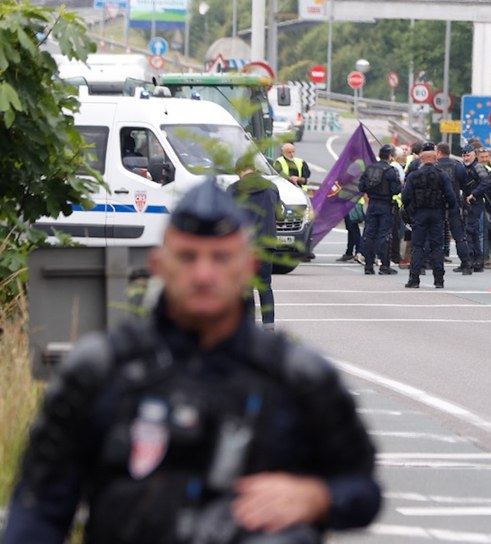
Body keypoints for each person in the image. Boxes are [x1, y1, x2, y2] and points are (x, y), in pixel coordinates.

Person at [2, 179, 382, 544]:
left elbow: (362, 489)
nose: (203, 274)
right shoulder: (101, 371)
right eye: (187, 257)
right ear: (158, 264)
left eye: (220, 258)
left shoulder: (297, 377)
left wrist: (318, 498)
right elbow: (40, 509)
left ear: (249, 267)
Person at [229, 165, 280, 331]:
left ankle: (249, 327)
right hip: (266, 242)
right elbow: (280, 214)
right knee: (265, 285)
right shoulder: (271, 187)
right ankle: (269, 326)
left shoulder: (234, 189)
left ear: (240, 170)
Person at [401, 148, 456, 288]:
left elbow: (405, 197)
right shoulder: (441, 175)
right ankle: (439, 280)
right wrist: (447, 207)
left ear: (421, 159)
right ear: (435, 158)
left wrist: (410, 209)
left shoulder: (414, 175)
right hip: (437, 213)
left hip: (419, 214)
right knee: (437, 247)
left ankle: (414, 279)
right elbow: (451, 196)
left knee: (417, 246)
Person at [359, 144, 402, 275]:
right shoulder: (390, 170)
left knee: (369, 235)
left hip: (372, 204)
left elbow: (361, 187)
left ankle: (368, 266)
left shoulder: (370, 169)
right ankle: (384, 266)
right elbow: (396, 190)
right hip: (385, 205)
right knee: (384, 235)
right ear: (390, 156)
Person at [433, 143, 472, 276]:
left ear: (438, 152)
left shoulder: (434, 166)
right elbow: (463, 183)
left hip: (437, 204)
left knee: (434, 234)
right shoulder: (457, 165)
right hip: (454, 203)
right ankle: (466, 264)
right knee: (459, 236)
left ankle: (432, 264)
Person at [461, 145, 491, 273]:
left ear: (474, 155)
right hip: (467, 201)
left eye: (468, 155)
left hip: (475, 201)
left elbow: (486, 182)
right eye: (464, 155)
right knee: (472, 232)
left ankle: (473, 260)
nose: (466, 158)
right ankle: (477, 261)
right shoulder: (464, 167)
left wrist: (474, 194)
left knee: (470, 230)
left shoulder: (477, 167)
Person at [338, 195, 365, 265]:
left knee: (353, 228)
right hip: (349, 202)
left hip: (354, 203)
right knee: (351, 229)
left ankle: (358, 252)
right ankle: (349, 252)